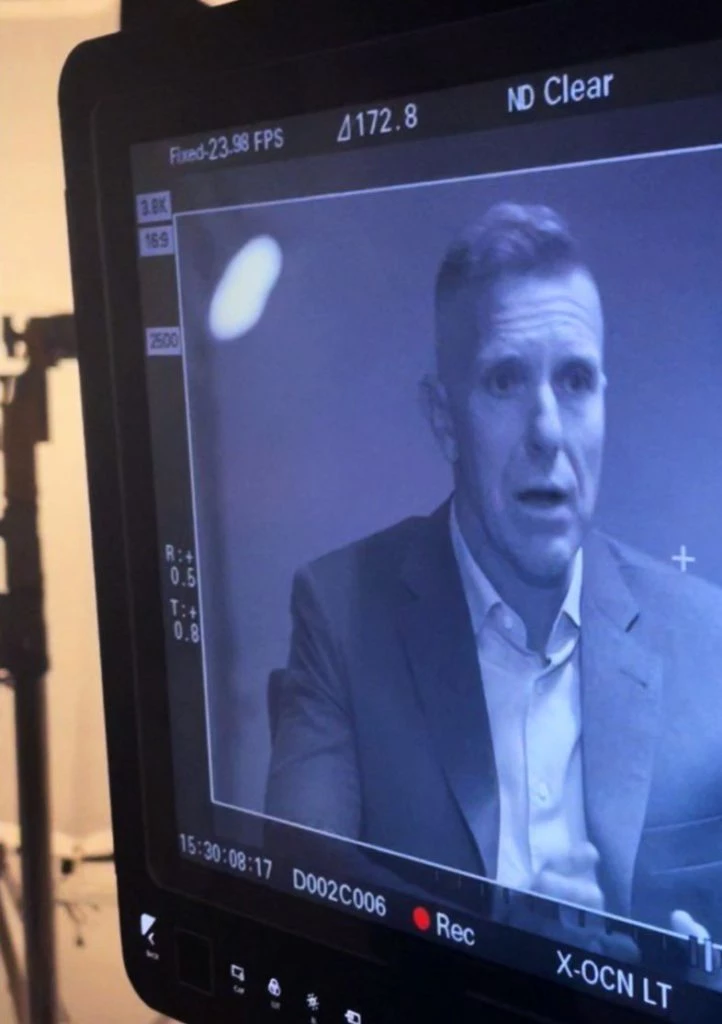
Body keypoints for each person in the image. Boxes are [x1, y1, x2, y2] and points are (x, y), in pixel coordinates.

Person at [265, 202, 722, 943]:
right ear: (444, 417)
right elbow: (302, 879)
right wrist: (507, 939)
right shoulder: (341, 609)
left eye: (575, 381)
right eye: (506, 381)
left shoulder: (708, 635)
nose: (548, 432)